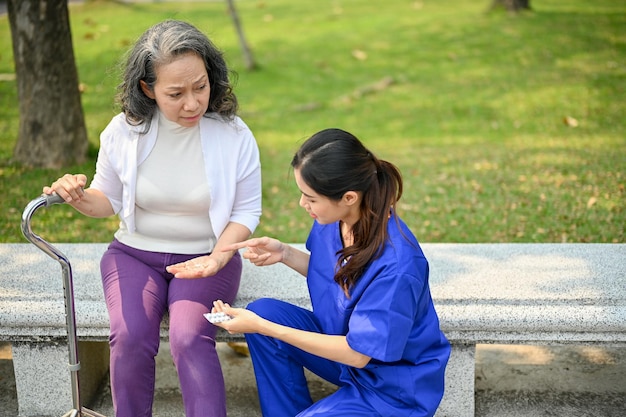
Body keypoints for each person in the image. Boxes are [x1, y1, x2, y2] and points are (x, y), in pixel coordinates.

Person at [43, 20, 262, 417]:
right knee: (129, 336)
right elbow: (105, 199)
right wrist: (75, 195)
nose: (193, 102)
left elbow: (246, 210)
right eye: (175, 93)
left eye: (201, 86)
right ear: (148, 89)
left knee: (188, 337)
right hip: (134, 255)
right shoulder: (124, 132)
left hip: (206, 257)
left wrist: (218, 257)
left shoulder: (233, 134)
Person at [206, 128, 450, 417]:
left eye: (310, 197)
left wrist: (260, 326)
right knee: (265, 311)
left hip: (392, 389)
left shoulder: (398, 266)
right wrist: (285, 253)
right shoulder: (333, 219)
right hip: (348, 353)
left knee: (264, 323)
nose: (302, 204)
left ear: (348, 197)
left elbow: (359, 353)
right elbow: (337, 277)